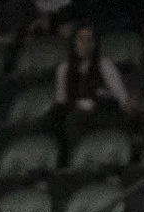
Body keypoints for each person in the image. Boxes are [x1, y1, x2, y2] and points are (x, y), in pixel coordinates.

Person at [53, 21, 132, 153]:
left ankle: (76, 158)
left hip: (102, 113)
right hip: (75, 110)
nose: (84, 44)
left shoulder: (104, 64)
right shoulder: (63, 69)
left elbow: (122, 98)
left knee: (74, 120)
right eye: (80, 39)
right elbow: (61, 101)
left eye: (89, 40)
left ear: (95, 44)